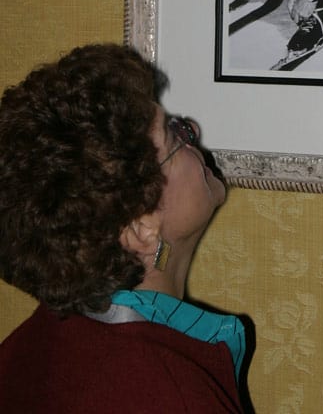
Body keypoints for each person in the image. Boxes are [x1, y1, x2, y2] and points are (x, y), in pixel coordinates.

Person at [0, 43, 251, 413]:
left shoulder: (29, 345)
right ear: (140, 228)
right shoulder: (168, 393)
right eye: (174, 136)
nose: (192, 129)